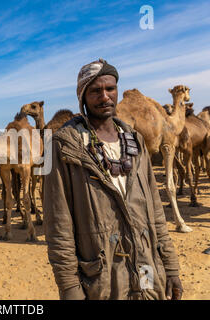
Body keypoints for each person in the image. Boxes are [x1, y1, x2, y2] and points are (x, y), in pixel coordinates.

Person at [43, 58, 183, 300]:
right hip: (102, 277)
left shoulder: (135, 141)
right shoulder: (64, 147)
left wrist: (170, 266)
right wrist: (69, 288)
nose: (104, 96)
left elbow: (156, 210)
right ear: (83, 97)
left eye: (110, 89)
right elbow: (58, 225)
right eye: (95, 91)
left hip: (147, 266)